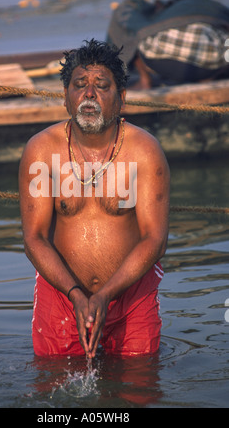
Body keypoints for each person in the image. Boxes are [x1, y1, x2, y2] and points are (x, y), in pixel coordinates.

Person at [19, 39, 170, 358]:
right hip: (61, 295)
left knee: (138, 388)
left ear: (121, 99)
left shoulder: (144, 152)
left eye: (102, 85)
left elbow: (155, 239)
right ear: (66, 97)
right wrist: (75, 293)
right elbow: (34, 238)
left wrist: (106, 295)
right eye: (79, 85)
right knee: (54, 387)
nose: (89, 94)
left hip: (132, 295)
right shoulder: (41, 151)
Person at [107, 0, 229, 89]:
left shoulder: (171, 10)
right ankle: (209, 77)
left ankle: (145, 80)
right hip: (215, 61)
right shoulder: (211, 5)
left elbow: (133, 24)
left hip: (158, 56)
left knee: (137, 32)